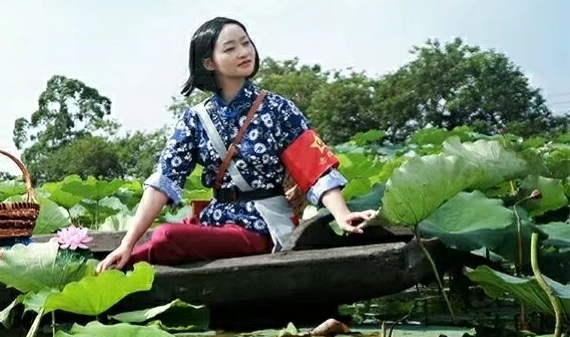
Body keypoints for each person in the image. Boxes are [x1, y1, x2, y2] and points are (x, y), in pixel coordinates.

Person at [98, 17, 376, 272]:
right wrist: (126, 243)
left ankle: (122, 267)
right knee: (168, 236)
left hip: (263, 223)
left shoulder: (278, 109)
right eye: (230, 48)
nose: (244, 52)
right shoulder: (195, 120)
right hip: (216, 219)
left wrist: (341, 215)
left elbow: (316, 167)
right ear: (209, 63)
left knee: (167, 236)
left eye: (246, 43)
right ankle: (121, 261)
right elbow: (163, 182)